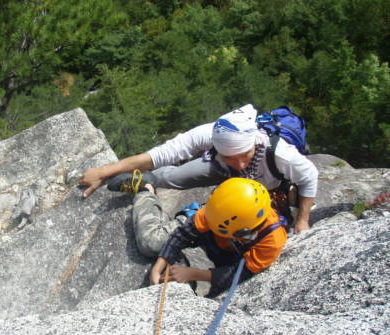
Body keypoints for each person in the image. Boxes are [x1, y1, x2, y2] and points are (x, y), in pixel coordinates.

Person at [79, 104, 318, 233]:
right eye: (231, 156)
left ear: (253, 143)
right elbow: (161, 154)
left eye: (245, 156)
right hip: (220, 170)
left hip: (265, 188)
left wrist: (302, 220)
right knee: (171, 175)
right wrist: (104, 170)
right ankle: (145, 181)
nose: (241, 163)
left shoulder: (278, 152)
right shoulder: (212, 134)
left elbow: (309, 176)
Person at [106, 173, 287, 297]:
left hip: (228, 255)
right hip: (208, 237)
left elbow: (241, 274)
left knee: (219, 291)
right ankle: (146, 190)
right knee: (150, 242)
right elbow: (185, 233)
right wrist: (160, 263)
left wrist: (193, 274)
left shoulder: (272, 240)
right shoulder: (218, 210)